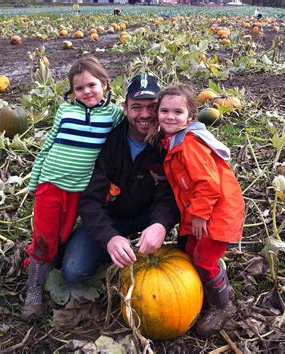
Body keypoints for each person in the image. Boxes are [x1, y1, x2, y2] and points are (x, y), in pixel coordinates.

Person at [22, 56, 123, 322]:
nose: (86, 92)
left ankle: (42, 263)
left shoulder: (113, 114)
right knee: (44, 237)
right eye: (79, 88)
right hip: (51, 184)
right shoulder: (65, 112)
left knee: (63, 235)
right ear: (72, 91)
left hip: (80, 190)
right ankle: (33, 292)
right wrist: (35, 181)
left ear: (104, 84)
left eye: (91, 85)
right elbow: (47, 146)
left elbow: (130, 130)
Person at [60, 74, 179, 282]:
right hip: (111, 218)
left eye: (151, 106)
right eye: (136, 107)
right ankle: (115, 249)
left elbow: (170, 195)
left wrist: (161, 224)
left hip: (148, 217)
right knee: (73, 271)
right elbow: (89, 201)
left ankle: (209, 271)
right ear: (125, 108)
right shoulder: (108, 142)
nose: (145, 114)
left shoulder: (170, 144)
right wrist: (109, 237)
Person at [156, 84, 245, 336]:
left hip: (217, 213)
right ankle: (209, 290)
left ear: (190, 117)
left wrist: (198, 215)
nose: (170, 117)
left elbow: (207, 183)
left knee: (203, 258)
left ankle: (223, 306)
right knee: (189, 251)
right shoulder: (173, 140)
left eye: (177, 112)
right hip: (205, 209)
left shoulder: (190, 145)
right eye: (164, 111)